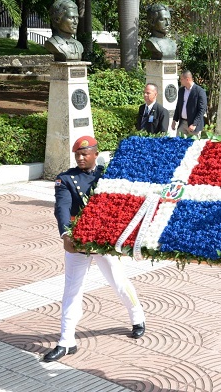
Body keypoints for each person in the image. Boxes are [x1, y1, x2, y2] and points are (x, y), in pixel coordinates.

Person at [44, 136, 146, 362]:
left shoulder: (109, 175)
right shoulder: (66, 179)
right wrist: (65, 233)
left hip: (103, 242)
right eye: (77, 155)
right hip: (78, 241)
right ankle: (66, 340)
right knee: (72, 289)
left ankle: (137, 316)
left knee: (118, 283)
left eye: (84, 154)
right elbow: (61, 208)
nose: (80, 158)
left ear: (95, 154)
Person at [171, 70, 207, 137]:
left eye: (181, 79)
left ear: (187, 79)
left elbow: (202, 110)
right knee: (178, 144)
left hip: (193, 126)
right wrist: (174, 120)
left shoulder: (199, 91)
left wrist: (194, 124)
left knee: (193, 146)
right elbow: (179, 106)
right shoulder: (181, 90)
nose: (180, 81)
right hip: (182, 123)